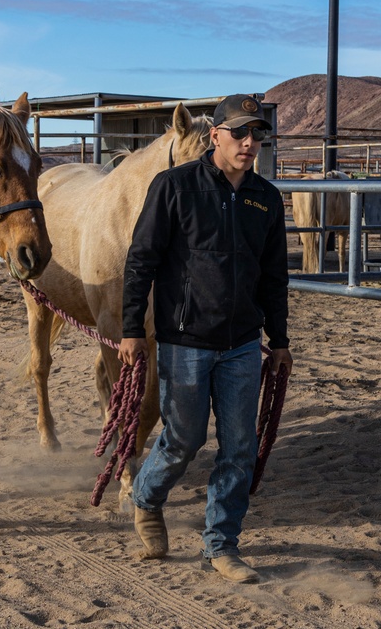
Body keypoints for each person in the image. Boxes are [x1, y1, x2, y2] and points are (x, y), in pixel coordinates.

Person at [118, 93, 293, 584]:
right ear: (214, 135)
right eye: (239, 133)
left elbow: (274, 277)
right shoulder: (174, 187)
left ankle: (221, 545)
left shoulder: (266, 198)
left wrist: (278, 340)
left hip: (241, 343)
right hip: (185, 339)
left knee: (239, 447)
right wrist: (133, 328)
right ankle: (146, 499)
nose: (249, 143)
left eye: (256, 133)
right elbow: (142, 262)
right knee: (182, 441)